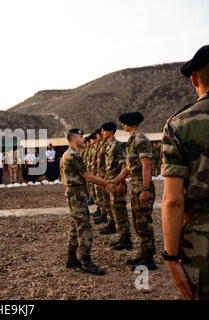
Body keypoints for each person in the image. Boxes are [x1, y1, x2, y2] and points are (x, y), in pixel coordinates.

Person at [161, 44, 209, 300]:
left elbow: (173, 201)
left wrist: (171, 257)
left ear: (194, 78)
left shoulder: (179, 124)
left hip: (204, 244)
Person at [60, 128, 113, 276]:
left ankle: (71, 258)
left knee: (75, 225)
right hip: (77, 195)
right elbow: (86, 176)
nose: (83, 139)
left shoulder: (67, 154)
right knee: (84, 227)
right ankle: (85, 261)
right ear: (75, 138)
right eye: (81, 137)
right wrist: (105, 183)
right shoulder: (73, 155)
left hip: (73, 194)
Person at [109, 111, 156, 270]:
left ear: (131, 123)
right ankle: (144, 253)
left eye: (124, 122)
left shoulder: (140, 139)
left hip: (141, 186)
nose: (122, 125)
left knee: (144, 222)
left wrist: (145, 189)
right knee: (138, 222)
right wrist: (115, 181)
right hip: (135, 185)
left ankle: (149, 258)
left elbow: (146, 165)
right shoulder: (131, 140)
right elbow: (129, 168)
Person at [102, 122, 132, 250]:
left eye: (104, 131)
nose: (102, 133)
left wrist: (121, 183)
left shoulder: (118, 145)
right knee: (114, 210)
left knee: (120, 211)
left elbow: (124, 165)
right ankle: (121, 236)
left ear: (110, 131)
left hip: (117, 182)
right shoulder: (109, 145)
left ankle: (126, 239)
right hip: (110, 182)